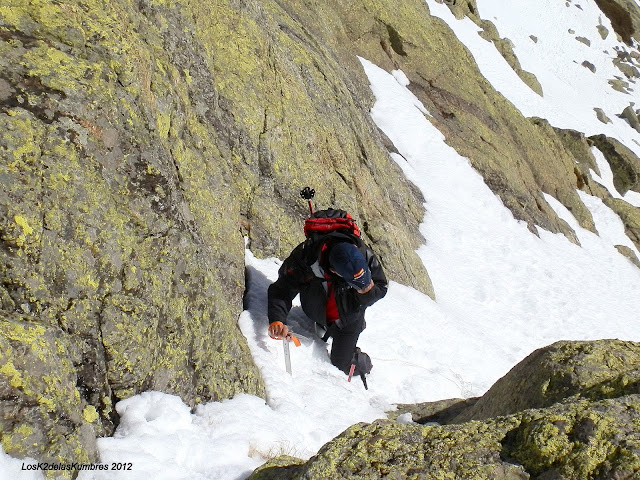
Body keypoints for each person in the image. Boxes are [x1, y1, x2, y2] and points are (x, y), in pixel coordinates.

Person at [267, 228, 387, 376]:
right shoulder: (306, 258)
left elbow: (381, 286)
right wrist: (277, 319)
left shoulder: (363, 254)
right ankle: (326, 323)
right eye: (356, 285)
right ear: (335, 271)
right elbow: (282, 289)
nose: (363, 287)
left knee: (343, 364)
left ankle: (364, 363)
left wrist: (366, 294)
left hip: (351, 316)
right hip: (316, 309)